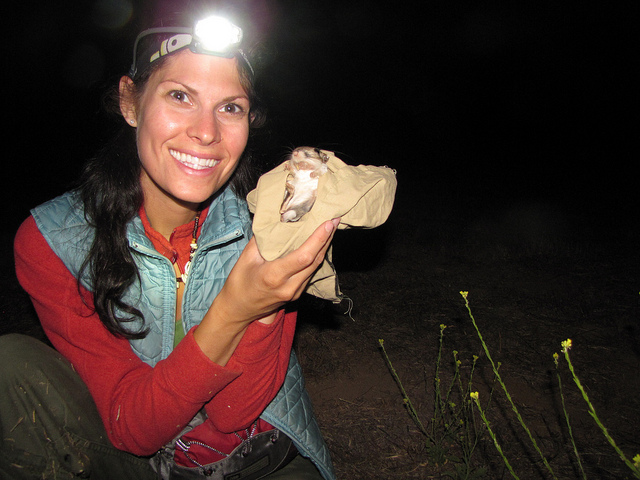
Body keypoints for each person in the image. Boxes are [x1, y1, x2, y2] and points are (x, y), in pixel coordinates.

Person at [0, 3, 337, 479]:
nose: (206, 132)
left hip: (257, 456)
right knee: (9, 368)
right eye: (180, 96)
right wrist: (235, 309)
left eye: (230, 107)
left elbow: (234, 413)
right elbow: (131, 428)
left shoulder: (271, 223)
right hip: (140, 459)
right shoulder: (54, 240)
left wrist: (264, 308)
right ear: (130, 102)